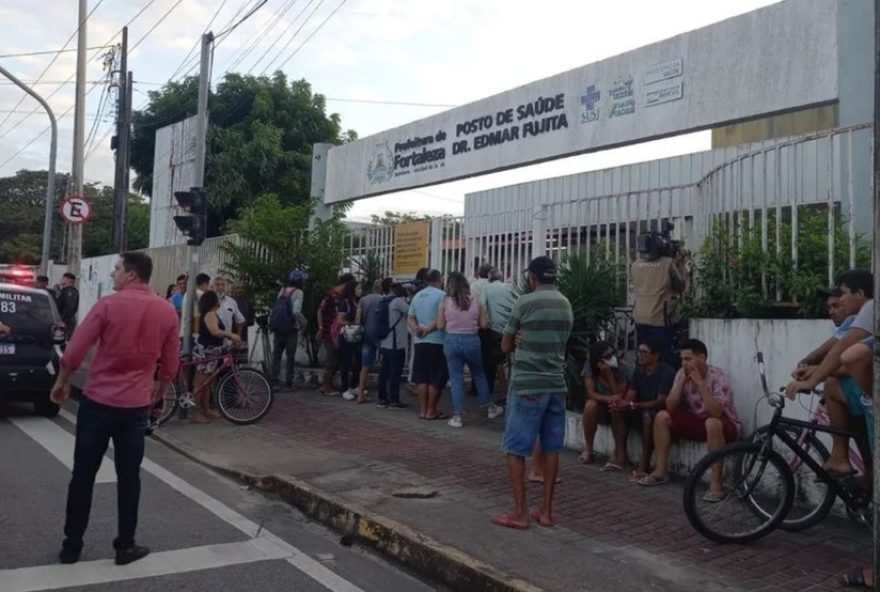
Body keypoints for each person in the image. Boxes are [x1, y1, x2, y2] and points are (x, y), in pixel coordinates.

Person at [49, 252, 179, 566]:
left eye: (117, 269)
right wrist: (158, 396)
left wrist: (63, 381)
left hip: (97, 403)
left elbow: (75, 350)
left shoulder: (107, 305)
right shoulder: (166, 311)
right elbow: (170, 366)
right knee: (129, 478)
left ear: (131, 274)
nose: (113, 274)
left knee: (83, 475)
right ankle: (125, 545)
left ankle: (71, 547)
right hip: (135, 407)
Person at [492, 256, 572, 530]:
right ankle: (546, 512)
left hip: (527, 384)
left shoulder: (524, 302)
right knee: (551, 448)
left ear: (533, 278)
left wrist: (516, 339)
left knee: (515, 448)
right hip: (556, 384)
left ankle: (520, 513)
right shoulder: (565, 303)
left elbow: (505, 346)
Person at [787, 269, 874, 476]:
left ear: (860, 294)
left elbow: (843, 349)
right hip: (865, 393)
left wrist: (813, 379)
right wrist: (816, 371)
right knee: (834, 384)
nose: (840, 300)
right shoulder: (858, 317)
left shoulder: (871, 307)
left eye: (843, 294)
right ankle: (845, 460)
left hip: (870, 397)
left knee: (835, 381)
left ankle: (845, 459)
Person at [638, 338, 740, 501]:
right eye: (682, 359)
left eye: (688, 359)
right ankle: (660, 471)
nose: (684, 363)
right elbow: (670, 406)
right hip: (698, 421)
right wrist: (682, 382)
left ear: (702, 358)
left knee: (712, 423)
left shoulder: (718, 377)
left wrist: (700, 384)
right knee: (662, 416)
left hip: (723, 424)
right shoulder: (681, 374)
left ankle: (716, 483)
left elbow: (716, 413)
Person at [437, 271, 504, 428]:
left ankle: (458, 416)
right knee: (479, 374)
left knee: (456, 378)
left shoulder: (445, 303)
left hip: (451, 341)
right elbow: (484, 325)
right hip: (472, 340)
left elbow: (440, 325)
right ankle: (489, 407)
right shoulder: (477, 301)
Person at [630, 234, 687, 364]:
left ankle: (642, 375)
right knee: (662, 359)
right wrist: (681, 264)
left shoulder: (635, 265)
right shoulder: (667, 264)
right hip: (660, 320)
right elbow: (681, 286)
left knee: (643, 356)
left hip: (640, 318)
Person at [625, 340, 676, 481]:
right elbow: (631, 394)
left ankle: (645, 463)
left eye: (644, 352)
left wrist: (634, 405)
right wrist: (624, 403)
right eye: (638, 352)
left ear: (656, 355)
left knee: (648, 416)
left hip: (658, 411)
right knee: (617, 411)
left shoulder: (667, 372)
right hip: (641, 407)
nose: (639, 355)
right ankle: (619, 455)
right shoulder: (638, 370)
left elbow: (660, 401)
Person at [193, 290, 242, 423]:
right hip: (206, 352)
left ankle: (206, 409)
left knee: (207, 383)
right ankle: (196, 412)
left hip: (212, 352)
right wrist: (231, 335)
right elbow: (214, 331)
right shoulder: (210, 314)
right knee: (201, 384)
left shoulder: (213, 314)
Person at [580, 341, 630, 470]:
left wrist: (609, 375)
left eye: (612, 354)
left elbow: (619, 393)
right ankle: (589, 450)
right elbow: (591, 393)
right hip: (601, 404)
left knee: (615, 405)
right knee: (590, 406)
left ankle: (618, 453)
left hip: (618, 406)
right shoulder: (590, 367)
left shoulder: (620, 367)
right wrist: (608, 398)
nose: (612, 358)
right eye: (607, 356)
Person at [407, 269, 449, 420]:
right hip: (437, 341)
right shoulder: (442, 295)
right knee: (436, 378)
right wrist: (428, 329)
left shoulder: (417, 296)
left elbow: (410, 318)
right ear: (440, 280)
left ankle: (423, 410)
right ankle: (432, 410)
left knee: (422, 378)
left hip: (420, 342)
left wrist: (417, 329)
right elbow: (443, 319)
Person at [480, 267, 517, 400]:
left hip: (495, 329)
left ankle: (504, 390)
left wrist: (486, 321)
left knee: (499, 361)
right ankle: (513, 389)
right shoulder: (510, 287)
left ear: (489, 278)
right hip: (512, 327)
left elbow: (482, 306)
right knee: (512, 358)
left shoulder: (486, 288)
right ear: (501, 277)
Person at [318, 273, 354, 395]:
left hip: (335, 332)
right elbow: (320, 310)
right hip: (329, 332)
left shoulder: (340, 296)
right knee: (332, 359)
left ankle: (328, 384)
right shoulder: (332, 295)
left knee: (336, 358)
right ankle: (325, 386)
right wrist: (321, 327)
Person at [377, 280, 410, 409]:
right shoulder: (396, 302)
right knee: (395, 374)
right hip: (396, 344)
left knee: (384, 373)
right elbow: (411, 310)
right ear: (392, 288)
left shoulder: (382, 301)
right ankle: (394, 400)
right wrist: (408, 295)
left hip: (384, 343)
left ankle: (382, 399)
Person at [270, 270, 306, 389]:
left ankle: (274, 381)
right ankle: (288, 382)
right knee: (290, 357)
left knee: (276, 355)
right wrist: (304, 322)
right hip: (291, 329)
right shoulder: (299, 292)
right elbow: (296, 311)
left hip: (278, 328)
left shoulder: (283, 290)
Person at [352, 279, 384, 402]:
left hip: (366, 335)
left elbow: (357, 319)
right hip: (381, 336)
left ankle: (360, 395)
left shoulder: (363, 300)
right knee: (385, 365)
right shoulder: (383, 300)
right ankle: (383, 396)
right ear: (382, 288)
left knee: (365, 367)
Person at [180, 273, 210, 341]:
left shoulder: (187, 294)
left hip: (184, 332)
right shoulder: (201, 294)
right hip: (194, 335)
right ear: (205, 284)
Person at [56, 272, 80, 340]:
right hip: (64, 320)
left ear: (69, 280)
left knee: (66, 340)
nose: (61, 279)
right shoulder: (64, 291)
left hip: (67, 321)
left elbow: (69, 308)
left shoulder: (70, 292)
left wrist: (61, 318)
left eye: (63, 278)